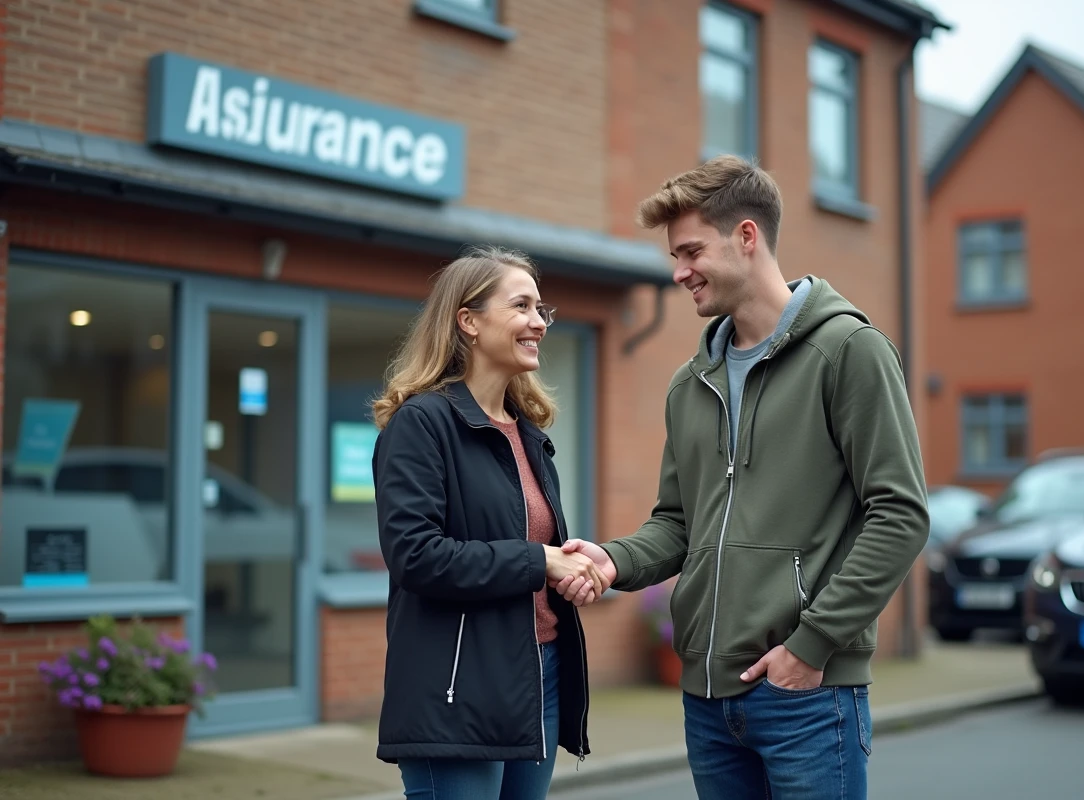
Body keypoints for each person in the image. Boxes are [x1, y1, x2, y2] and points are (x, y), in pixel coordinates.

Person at [554, 155, 929, 799]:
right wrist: (613, 562)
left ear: (747, 236)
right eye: (675, 255)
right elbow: (678, 523)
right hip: (707, 699)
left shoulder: (846, 352)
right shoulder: (689, 383)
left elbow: (899, 514)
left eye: (692, 250)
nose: (678, 272)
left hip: (807, 695)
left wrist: (811, 646)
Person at [371, 245, 605, 800]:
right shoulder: (421, 424)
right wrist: (539, 560)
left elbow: (528, 548)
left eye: (542, 310)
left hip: (538, 675)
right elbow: (416, 556)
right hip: (457, 690)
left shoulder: (526, 433)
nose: (538, 323)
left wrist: (568, 568)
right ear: (469, 321)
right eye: (521, 306)